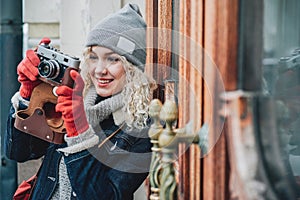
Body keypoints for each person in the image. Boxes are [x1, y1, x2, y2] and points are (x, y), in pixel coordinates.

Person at [5, 3, 156, 200]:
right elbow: (19, 153)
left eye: (113, 60)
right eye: (94, 58)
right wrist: (27, 95)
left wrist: (79, 131)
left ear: (133, 67)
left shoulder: (141, 127)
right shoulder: (75, 96)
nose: (100, 70)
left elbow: (105, 196)